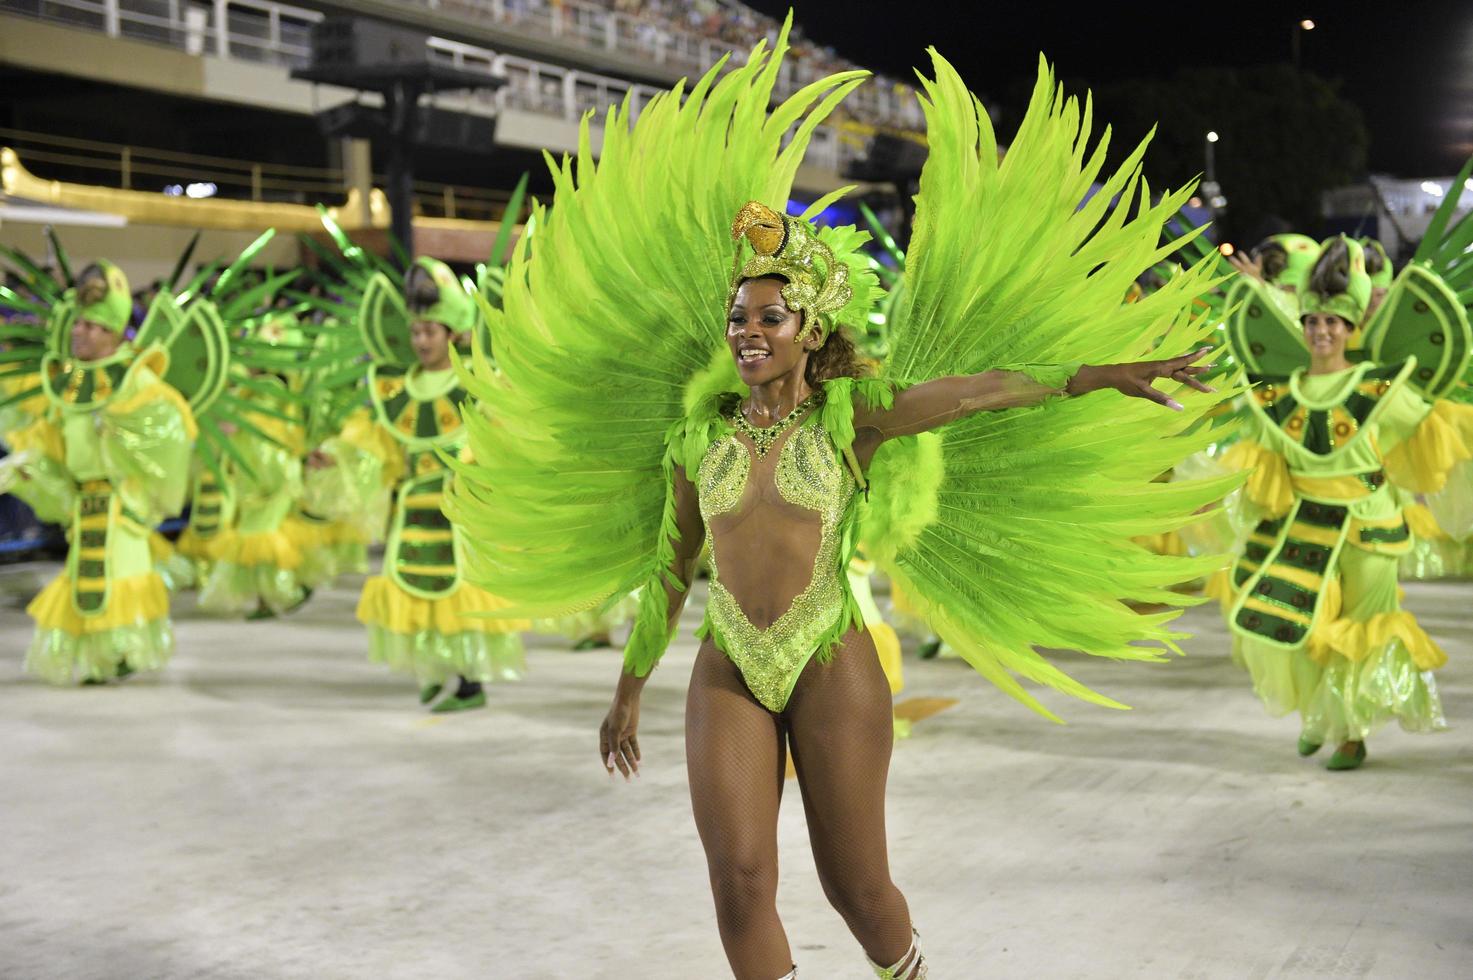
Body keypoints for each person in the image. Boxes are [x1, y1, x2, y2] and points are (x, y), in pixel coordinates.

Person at [445, 32, 1233, 978]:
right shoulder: (696, 437)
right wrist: (626, 691)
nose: (746, 331)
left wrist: (1101, 373)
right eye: (737, 316)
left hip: (830, 656)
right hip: (727, 659)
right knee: (737, 879)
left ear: (809, 330)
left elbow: (981, 389)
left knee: (855, 889)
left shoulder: (854, 417)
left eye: (767, 318)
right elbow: (672, 566)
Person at [1219, 236, 1473, 769]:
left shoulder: (1378, 387)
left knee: (1359, 632)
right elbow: (1266, 465)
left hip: (1370, 529)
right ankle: (1322, 713)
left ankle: (1351, 732)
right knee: (1301, 627)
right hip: (1305, 526)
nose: (1322, 331)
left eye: (1333, 323)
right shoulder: (1278, 392)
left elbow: (1432, 426)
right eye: (1313, 321)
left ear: (1351, 329)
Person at [308, 258, 527, 711]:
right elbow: (373, 440)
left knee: (460, 594)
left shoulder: (478, 381)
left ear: (452, 333)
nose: (421, 340)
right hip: (413, 509)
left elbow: (503, 431)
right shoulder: (397, 389)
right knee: (414, 589)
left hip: (462, 510)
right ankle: (434, 670)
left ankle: (468, 682)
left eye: (431, 331)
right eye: (416, 332)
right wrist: (336, 452)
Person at [0, 261, 195, 684]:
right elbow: (52, 441)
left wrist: (119, 439)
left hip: (122, 505)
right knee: (85, 582)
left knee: (118, 579)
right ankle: (100, 659)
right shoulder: (65, 383)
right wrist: (32, 469)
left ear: (113, 334)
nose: (80, 332)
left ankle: (117, 655)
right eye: (79, 323)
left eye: (92, 326)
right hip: (82, 506)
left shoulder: (137, 381)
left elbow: (168, 433)